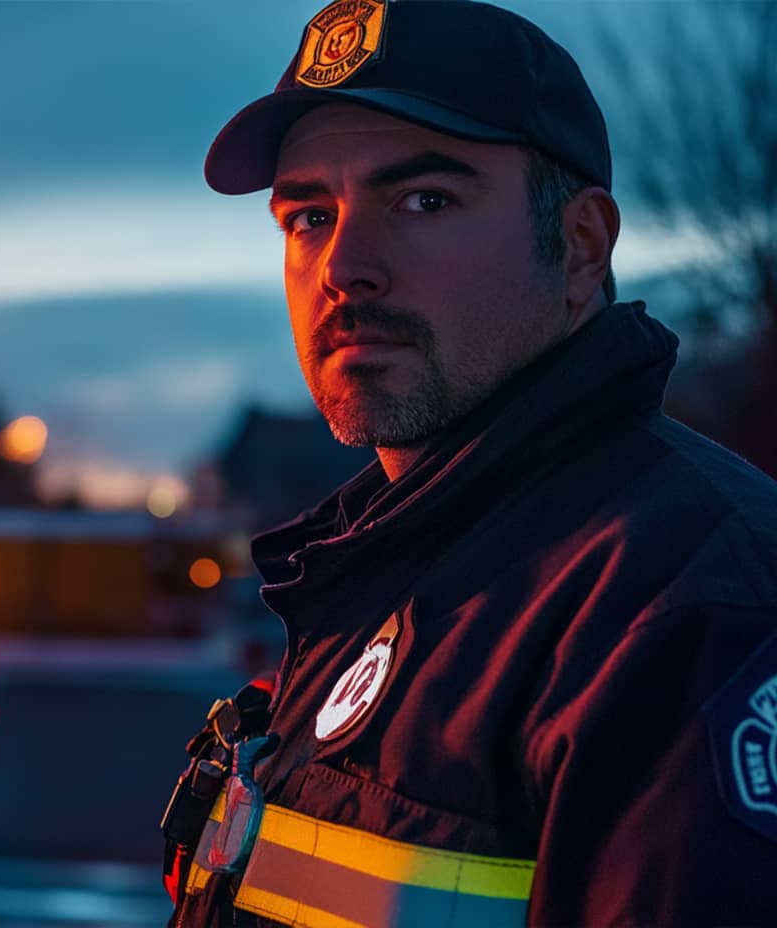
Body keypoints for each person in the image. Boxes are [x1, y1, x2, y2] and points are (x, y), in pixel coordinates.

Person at [161, 1, 777, 925]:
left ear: (579, 249)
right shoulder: (382, 558)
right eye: (309, 216)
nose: (345, 268)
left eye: (425, 201)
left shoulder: (690, 601)